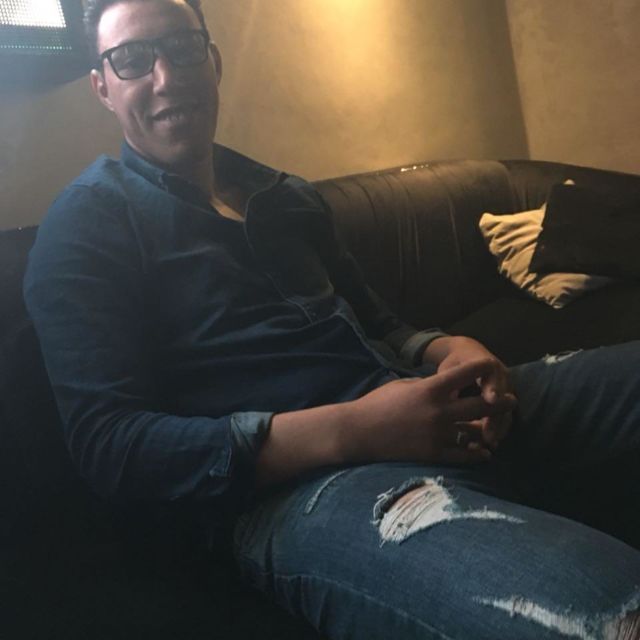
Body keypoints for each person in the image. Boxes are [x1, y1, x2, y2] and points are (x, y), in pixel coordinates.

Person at [23, 0, 640, 638]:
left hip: (421, 404)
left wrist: (448, 347)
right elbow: (111, 446)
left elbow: (382, 323)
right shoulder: (88, 222)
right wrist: (360, 429)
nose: (166, 76)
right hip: (303, 492)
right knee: (613, 620)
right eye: (131, 59)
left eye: (182, 48)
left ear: (213, 61)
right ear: (102, 86)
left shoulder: (286, 195)